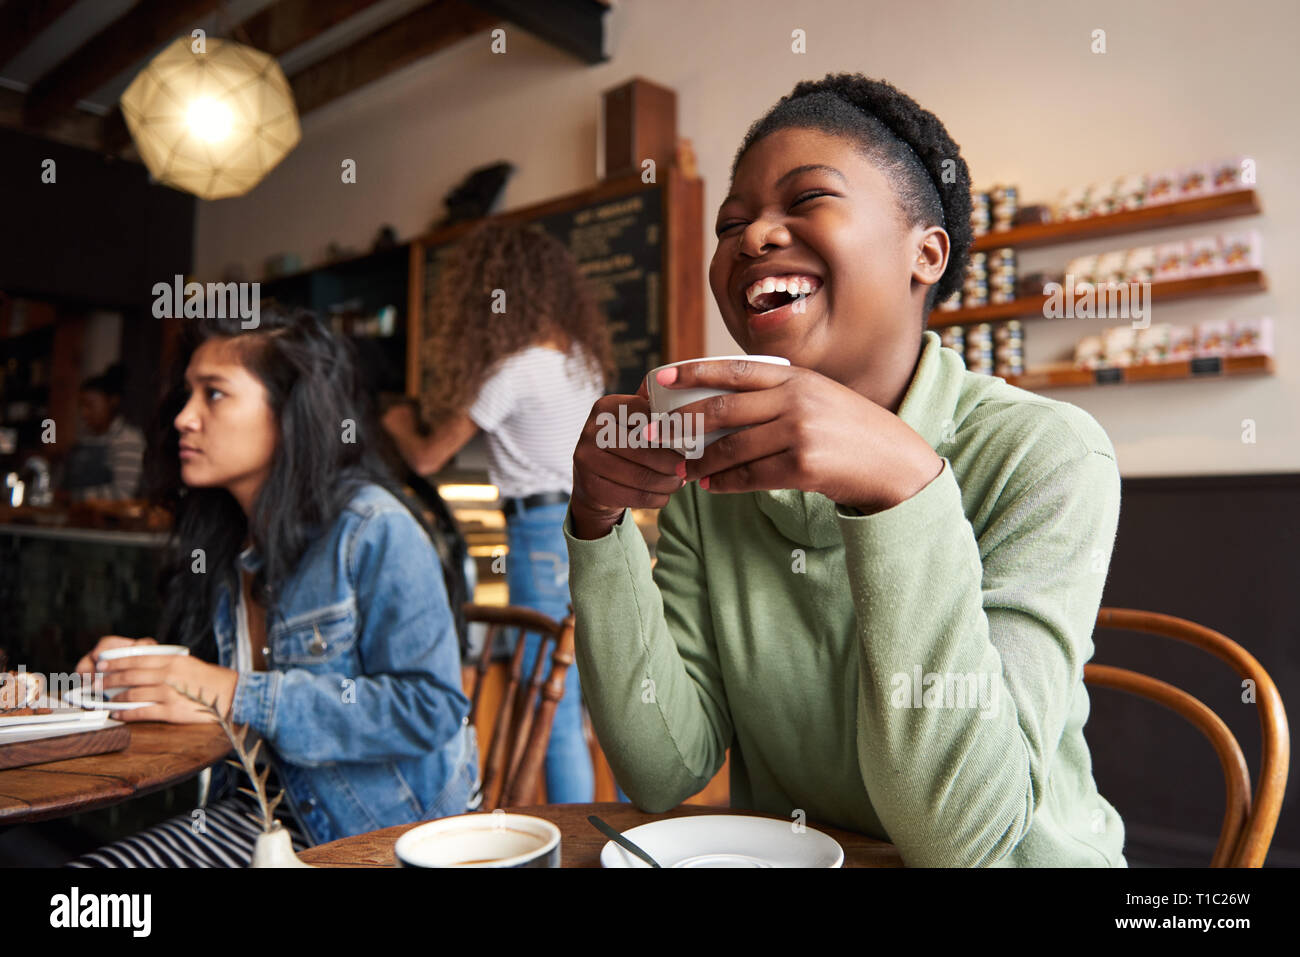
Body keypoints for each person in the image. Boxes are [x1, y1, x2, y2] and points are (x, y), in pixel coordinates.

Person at [563, 73, 1126, 867]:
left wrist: (902, 489)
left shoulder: (1046, 453)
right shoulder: (715, 477)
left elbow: (965, 839)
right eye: (733, 223)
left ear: (925, 252)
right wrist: (600, 521)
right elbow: (663, 768)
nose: (753, 236)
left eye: (806, 200)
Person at [68, 310, 478, 867]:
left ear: (290, 414)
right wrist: (150, 668)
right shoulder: (230, 536)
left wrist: (234, 693)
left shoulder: (373, 526)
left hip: (381, 833)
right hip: (264, 818)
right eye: (187, 394)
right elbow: (240, 689)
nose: (184, 418)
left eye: (214, 395)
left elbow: (430, 709)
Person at [383, 219, 615, 803]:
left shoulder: (511, 372)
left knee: (547, 702)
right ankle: (590, 843)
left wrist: (398, 421)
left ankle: (576, 851)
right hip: (591, 526)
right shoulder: (582, 362)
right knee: (573, 698)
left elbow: (430, 457)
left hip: (538, 533)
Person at [62, 363, 145, 502]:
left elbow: (124, 494)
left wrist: (74, 497)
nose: (83, 413)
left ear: (112, 401)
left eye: (90, 405)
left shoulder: (128, 439)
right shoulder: (85, 438)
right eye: (81, 406)